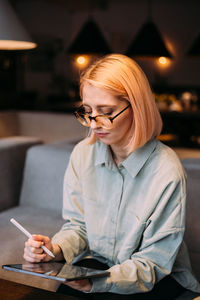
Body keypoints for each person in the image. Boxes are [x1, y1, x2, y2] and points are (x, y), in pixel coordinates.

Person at [23, 54, 200, 299]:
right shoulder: (82, 155)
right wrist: (55, 248)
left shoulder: (166, 170)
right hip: (100, 264)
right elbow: (79, 227)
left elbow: (153, 263)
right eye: (87, 111)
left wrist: (99, 282)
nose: (94, 124)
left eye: (106, 112)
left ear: (136, 107)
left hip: (156, 277)